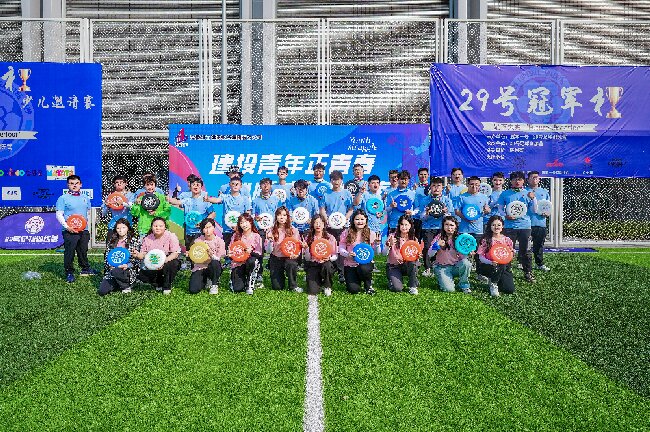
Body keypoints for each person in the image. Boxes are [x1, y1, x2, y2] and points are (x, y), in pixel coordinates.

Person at [495, 171, 537, 283]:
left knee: (526, 250)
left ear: (524, 181)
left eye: (519, 179)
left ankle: (528, 272)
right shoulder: (505, 194)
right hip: (509, 227)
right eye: (514, 179)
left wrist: (533, 199)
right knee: (507, 250)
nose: (517, 182)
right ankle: (506, 272)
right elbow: (500, 209)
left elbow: (534, 210)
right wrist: (505, 216)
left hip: (525, 226)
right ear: (511, 181)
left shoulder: (528, 193)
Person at [56, 174, 97, 283]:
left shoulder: (85, 198)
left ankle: (85, 268)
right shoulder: (63, 198)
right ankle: (69, 272)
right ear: (68, 185)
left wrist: (86, 226)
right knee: (70, 252)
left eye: (76, 183)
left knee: (83, 250)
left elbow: (87, 212)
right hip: (69, 230)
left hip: (83, 230)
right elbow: (59, 214)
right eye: (71, 183)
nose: (74, 185)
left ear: (81, 184)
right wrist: (67, 227)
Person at [206, 175, 252, 259]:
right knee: (228, 250)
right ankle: (228, 263)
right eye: (233, 184)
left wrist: (241, 226)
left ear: (241, 186)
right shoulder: (225, 197)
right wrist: (208, 199)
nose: (235, 186)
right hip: (227, 229)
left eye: (237, 184)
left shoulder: (245, 199)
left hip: (241, 229)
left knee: (240, 249)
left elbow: (248, 213)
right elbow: (217, 200)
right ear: (230, 185)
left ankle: (241, 262)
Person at [320, 170, 354, 282]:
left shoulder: (347, 193)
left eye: (338, 179)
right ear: (331, 181)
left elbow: (351, 209)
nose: (336, 182)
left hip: (343, 226)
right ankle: (330, 269)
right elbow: (322, 209)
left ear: (341, 180)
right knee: (331, 247)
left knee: (341, 248)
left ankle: (342, 272)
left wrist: (345, 219)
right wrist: (327, 219)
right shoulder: (326, 194)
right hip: (330, 226)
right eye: (334, 179)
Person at [167, 176, 216, 252]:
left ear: (201, 187)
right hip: (188, 231)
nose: (196, 186)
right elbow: (176, 202)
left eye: (198, 185)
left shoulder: (205, 200)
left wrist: (203, 223)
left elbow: (213, 213)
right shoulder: (187, 200)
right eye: (193, 185)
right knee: (189, 252)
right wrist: (168, 198)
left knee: (199, 252)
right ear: (190, 186)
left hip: (200, 232)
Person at [417, 177, 453, 277]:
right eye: (433, 186)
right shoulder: (424, 200)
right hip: (428, 227)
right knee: (428, 247)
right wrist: (426, 213)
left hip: (442, 228)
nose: (436, 188)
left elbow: (450, 218)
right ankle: (428, 268)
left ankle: (439, 265)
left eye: (439, 186)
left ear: (442, 188)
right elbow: (421, 217)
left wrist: (445, 213)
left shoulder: (447, 200)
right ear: (430, 187)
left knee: (441, 247)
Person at [136, 217, 181, 295]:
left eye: (161, 226)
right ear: (151, 227)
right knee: (140, 274)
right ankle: (158, 283)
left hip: (167, 260)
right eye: (155, 226)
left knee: (173, 263)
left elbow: (175, 253)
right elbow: (144, 253)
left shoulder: (171, 236)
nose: (158, 228)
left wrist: (162, 262)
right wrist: (138, 255)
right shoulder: (147, 238)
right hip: (153, 262)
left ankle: (167, 286)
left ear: (165, 227)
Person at [456, 176, 490, 272]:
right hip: (464, 229)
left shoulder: (484, 197)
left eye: (477, 185)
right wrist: (465, 218)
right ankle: (463, 271)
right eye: (471, 184)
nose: (474, 187)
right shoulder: (462, 197)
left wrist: (487, 211)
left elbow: (486, 209)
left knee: (479, 252)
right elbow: (457, 211)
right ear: (467, 185)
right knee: (463, 251)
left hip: (478, 230)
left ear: (479, 185)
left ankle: (480, 273)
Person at [430, 216, 472, 294]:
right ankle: (442, 279)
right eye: (446, 224)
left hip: (455, 266)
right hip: (442, 267)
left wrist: (468, 253)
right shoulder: (439, 237)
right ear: (443, 226)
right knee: (449, 290)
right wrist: (437, 245)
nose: (449, 227)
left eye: (452, 225)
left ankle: (464, 285)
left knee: (466, 263)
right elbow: (430, 254)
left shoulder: (460, 239)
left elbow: (463, 258)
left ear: (456, 226)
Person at [98, 218, 141, 296]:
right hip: (112, 271)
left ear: (128, 228)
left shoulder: (134, 241)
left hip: (127, 270)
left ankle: (126, 286)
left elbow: (137, 261)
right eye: (118, 228)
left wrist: (127, 265)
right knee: (102, 291)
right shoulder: (112, 241)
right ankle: (118, 283)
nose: (120, 230)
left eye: (123, 227)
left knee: (117, 271)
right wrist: (110, 266)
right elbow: (107, 258)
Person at [338, 209, 377, 294]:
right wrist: (347, 254)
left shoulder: (371, 233)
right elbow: (341, 248)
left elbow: (374, 251)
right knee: (353, 289)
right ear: (353, 221)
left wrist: (379, 244)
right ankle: (355, 280)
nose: (360, 222)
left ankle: (368, 285)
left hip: (365, 264)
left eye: (362, 219)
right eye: (357, 219)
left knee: (364, 269)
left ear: (366, 220)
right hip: (350, 264)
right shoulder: (346, 232)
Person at [476, 215, 515, 297]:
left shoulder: (507, 240)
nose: (496, 227)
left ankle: (496, 280)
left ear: (502, 226)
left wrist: (511, 254)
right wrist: (491, 262)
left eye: (499, 225)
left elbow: (510, 254)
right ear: (490, 226)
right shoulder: (486, 240)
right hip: (489, 266)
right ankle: (493, 284)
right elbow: (480, 257)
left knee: (509, 289)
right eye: (493, 225)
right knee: (498, 265)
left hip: (504, 267)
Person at [266, 207, 303, 293]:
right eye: (279, 215)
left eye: (284, 215)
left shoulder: (294, 230)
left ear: (287, 217)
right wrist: (270, 241)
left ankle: (293, 285)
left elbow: (297, 247)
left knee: (291, 264)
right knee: (277, 287)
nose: (281, 217)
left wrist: (296, 255)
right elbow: (268, 251)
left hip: (288, 257)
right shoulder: (271, 230)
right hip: (276, 257)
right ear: (276, 217)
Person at [301, 214, 337, 296]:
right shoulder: (308, 237)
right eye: (316, 223)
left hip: (325, 263)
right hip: (313, 264)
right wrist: (306, 248)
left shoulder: (330, 237)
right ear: (312, 224)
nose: (318, 225)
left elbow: (335, 255)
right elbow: (307, 259)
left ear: (324, 224)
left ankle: (327, 285)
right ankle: (317, 280)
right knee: (312, 291)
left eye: (320, 223)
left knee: (327, 266)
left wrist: (329, 258)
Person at [189, 218, 226, 295]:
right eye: (205, 228)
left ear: (214, 227)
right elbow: (194, 257)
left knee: (215, 262)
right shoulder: (198, 241)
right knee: (193, 289)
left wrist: (211, 255)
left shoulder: (219, 241)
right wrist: (190, 254)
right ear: (202, 230)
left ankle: (214, 284)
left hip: (213, 267)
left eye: (209, 227)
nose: (207, 230)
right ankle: (205, 280)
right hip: (200, 267)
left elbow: (219, 259)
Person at [385, 215, 420, 295]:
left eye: (406, 225)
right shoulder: (392, 236)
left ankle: (413, 286)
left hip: (407, 265)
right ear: (399, 225)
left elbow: (416, 255)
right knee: (397, 288)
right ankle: (392, 281)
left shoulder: (413, 239)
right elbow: (383, 253)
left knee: (414, 263)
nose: (404, 227)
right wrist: (389, 245)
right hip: (394, 266)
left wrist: (418, 256)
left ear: (410, 226)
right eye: (402, 224)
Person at [228, 213, 263, 295]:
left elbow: (259, 254)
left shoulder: (256, 236)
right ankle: (236, 278)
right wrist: (230, 254)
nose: (244, 225)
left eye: (246, 222)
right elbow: (231, 250)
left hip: (250, 263)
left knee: (253, 261)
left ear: (251, 222)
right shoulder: (236, 236)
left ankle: (250, 282)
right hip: (238, 263)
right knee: (237, 289)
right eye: (241, 223)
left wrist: (251, 252)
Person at [353, 174, 384, 254]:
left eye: (377, 183)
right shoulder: (364, 194)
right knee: (365, 249)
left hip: (376, 227)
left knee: (376, 251)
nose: (375, 185)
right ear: (369, 184)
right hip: (366, 227)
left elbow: (381, 211)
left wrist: (381, 214)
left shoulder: (379, 197)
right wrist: (360, 192)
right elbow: (356, 203)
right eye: (373, 183)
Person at [527, 171, 551, 272]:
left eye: (536, 177)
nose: (534, 179)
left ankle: (539, 264)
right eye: (532, 177)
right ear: (528, 179)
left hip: (540, 223)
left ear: (539, 179)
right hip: (527, 224)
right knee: (526, 246)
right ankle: (523, 263)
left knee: (539, 245)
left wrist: (548, 213)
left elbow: (548, 207)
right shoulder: (524, 191)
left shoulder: (544, 192)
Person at [101, 174, 135, 240]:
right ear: (114, 184)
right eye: (117, 182)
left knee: (127, 246)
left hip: (127, 226)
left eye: (121, 182)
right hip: (113, 226)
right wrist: (107, 206)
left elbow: (133, 208)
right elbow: (103, 213)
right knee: (111, 245)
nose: (119, 184)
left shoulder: (131, 195)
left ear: (126, 183)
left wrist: (123, 203)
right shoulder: (110, 196)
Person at [386, 170, 416, 234]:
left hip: (407, 226)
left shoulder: (413, 194)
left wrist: (412, 212)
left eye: (406, 179)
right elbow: (386, 210)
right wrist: (391, 206)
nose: (404, 181)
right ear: (398, 180)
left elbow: (418, 208)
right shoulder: (391, 194)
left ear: (408, 180)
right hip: (394, 224)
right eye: (402, 179)